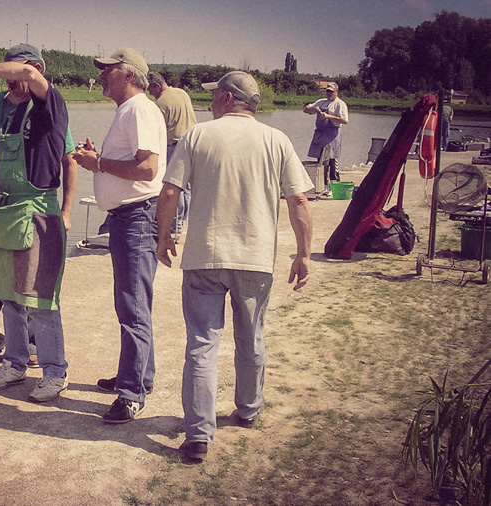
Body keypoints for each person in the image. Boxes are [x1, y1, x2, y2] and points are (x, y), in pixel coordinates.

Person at [155, 71, 313, 463]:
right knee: (252, 338)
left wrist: (164, 236)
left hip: (204, 256)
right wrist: (303, 253)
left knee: (202, 345)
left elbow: (170, 190)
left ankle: (198, 436)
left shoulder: (198, 136)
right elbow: (299, 202)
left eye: (214, 96)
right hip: (255, 259)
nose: (209, 102)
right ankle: (248, 409)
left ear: (227, 98)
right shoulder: (276, 140)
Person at [0, 44, 73, 402]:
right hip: (4, 211)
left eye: (12, 72)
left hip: (37, 213)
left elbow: (31, 76)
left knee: (41, 301)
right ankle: (16, 363)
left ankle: (55, 371)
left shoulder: (50, 106)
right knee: (9, 297)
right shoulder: (5, 114)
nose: (8, 80)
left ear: (33, 69)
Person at [74, 48, 166, 423]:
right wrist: (100, 162)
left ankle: (131, 394)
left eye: (107, 71)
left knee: (131, 306)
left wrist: (97, 164)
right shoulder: (131, 110)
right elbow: (131, 165)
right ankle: (139, 376)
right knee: (133, 303)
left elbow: (146, 169)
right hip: (130, 217)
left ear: (128, 75)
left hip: (137, 218)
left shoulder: (139, 110)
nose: (100, 76)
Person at [147, 71, 197, 233]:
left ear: (157, 85)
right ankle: (182, 220)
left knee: (175, 185)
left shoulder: (160, 104)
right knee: (187, 186)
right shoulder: (182, 92)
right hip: (192, 142)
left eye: (151, 89)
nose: (150, 93)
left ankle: (176, 222)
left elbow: (157, 131)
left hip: (174, 145)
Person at [304, 82, 348, 188]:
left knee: (332, 161)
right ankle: (322, 185)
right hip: (320, 134)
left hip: (332, 134)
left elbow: (345, 120)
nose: (329, 93)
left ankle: (334, 185)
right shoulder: (321, 102)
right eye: (327, 91)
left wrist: (328, 116)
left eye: (331, 92)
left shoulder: (340, 104)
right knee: (320, 160)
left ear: (337, 92)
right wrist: (313, 109)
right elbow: (306, 110)